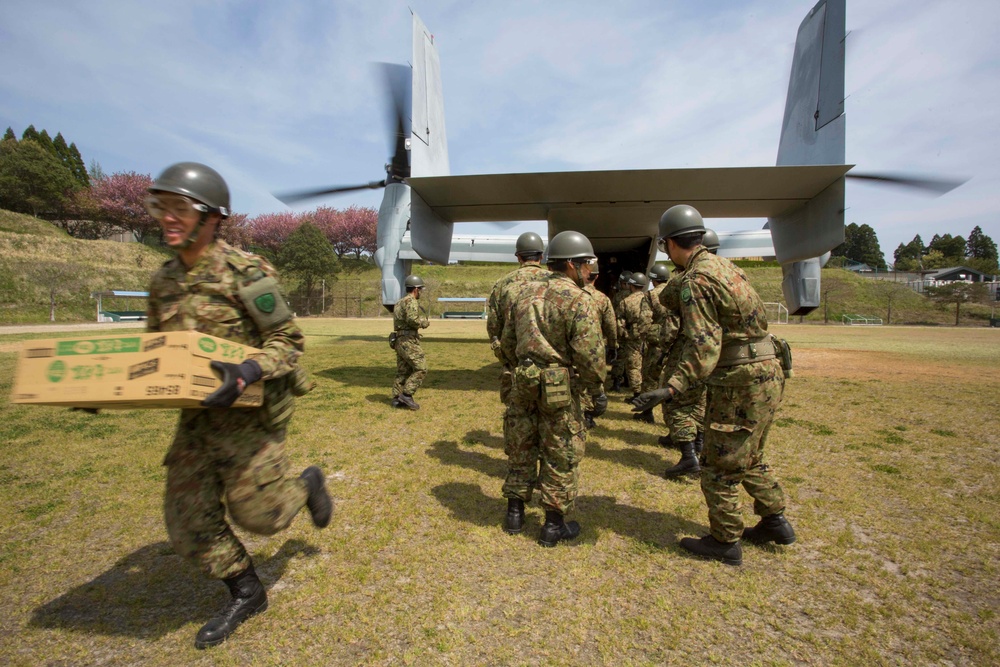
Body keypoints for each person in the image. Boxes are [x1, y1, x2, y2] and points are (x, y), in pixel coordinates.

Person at [144, 162, 333, 649]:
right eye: (159, 207)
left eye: (179, 209)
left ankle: (306, 483)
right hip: (196, 418)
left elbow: (288, 340)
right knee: (187, 523)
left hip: (249, 415)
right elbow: (155, 353)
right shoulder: (163, 282)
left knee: (262, 518)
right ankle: (247, 591)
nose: (167, 218)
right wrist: (102, 392)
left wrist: (249, 369)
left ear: (211, 217)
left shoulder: (245, 272)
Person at [633, 205, 795, 567]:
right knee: (749, 454)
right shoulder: (726, 267)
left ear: (670, 243)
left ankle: (725, 541)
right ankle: (775, 521)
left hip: (740, 379)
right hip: (768, 369)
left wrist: (670, 388)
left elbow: (704, 344)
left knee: (719, 464)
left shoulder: (697, 280)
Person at [498, 231, 607, 546]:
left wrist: (522, 366)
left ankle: (515, 513)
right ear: (571, 264)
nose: (588, 271)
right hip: (558, 386)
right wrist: (596, 389)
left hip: (521, 379)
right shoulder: (577, 299)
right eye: (586, 264)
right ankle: (553, 525)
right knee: (560, 450)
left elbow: (506, 344)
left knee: (520, 443)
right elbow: (591, 356)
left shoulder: (522, 295)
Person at [486, 232, 548, 405]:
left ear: (518, 257)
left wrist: (501, 351)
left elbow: (493, 325)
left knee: (519, 413)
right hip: (552, 361)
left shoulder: (503, 284)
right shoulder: (556, 281)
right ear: (541, 256)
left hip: (516, 359)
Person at [581, 264, 618, 428]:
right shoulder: (603, 299)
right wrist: (613, 345)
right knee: (593, 379)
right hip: (596, 346)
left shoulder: (573, 295)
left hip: (574, 344)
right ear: (597, 277)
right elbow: (611, 326)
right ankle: (588, 414)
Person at [635, 263, 670, 424]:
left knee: (650, 378)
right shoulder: (677, 290)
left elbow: (643, 323)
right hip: (678, 345)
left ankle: (646, 412)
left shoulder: (650, 296)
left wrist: (647, 338)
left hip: (657, 345)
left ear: (653, 280)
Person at [392, 275, 430, 410]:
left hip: (399, 340)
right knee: (421, 368)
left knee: (403, 371)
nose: (421, 292)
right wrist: (423, 323)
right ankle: (407, 395)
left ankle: (397, 398)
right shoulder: (411, 301)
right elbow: (412, 320)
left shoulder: (399, 302)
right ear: (416, 289)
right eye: (420, 289)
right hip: (408, 341)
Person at [618, 272, 652, 406]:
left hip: (633, 337)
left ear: (631, 285)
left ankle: (637, 394)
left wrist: (625, 335)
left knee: (633, 366)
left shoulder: (626, 301)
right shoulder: (649, 298)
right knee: (647, 364)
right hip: (649, 336)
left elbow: (620, 323)